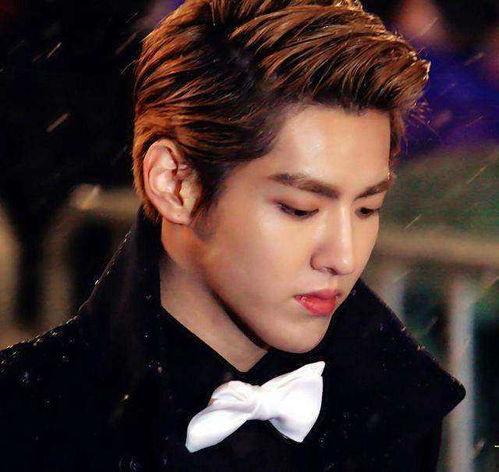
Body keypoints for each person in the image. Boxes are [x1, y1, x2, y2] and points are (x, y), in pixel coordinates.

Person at [0, 0, 466, 470]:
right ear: (176, 184)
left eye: (367, 208)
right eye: (300, 209)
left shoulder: (396, 408)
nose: (344, 257)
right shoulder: (27, 420)